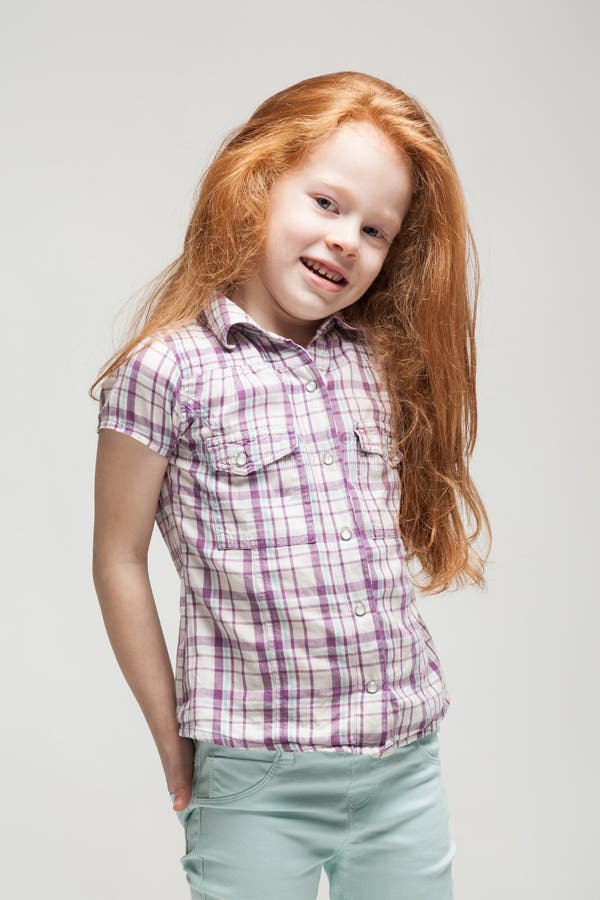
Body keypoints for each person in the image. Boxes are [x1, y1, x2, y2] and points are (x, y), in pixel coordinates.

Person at [91, 70, 491, 900]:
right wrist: (172, 737)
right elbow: (118, 559)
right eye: (328, 204)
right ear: (260, 183)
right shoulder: (167, 370)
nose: (349, 239)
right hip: (254, 771)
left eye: (377, 230)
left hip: (401, 762)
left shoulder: (373, 363)